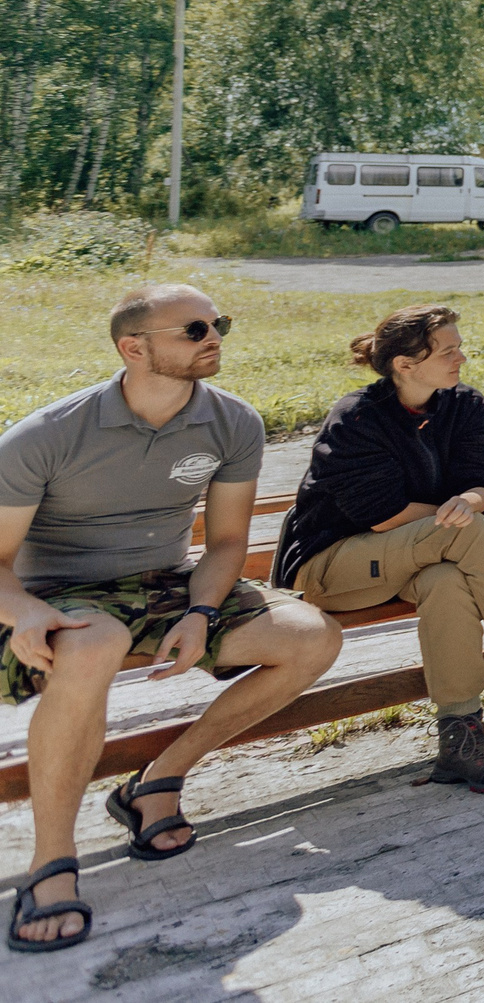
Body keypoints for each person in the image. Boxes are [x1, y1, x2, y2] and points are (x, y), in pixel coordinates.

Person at [0, 285, 342, 954]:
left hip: (165, 582)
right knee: (97, 642)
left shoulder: (233, 421)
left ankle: (157, 779)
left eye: (218, 323)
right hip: (56, 590)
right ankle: (51, 862)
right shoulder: (46, 434)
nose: (212, 334)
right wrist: (25, 611)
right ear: (134, 347)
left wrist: (202, 610)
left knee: (312, 636)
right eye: (192, 327)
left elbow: (223, 544)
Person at [274, 305, 484, 793]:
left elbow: (477, 483)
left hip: (419, 556)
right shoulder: (357, 417)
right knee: (465, 531)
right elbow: (380, 513)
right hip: (331, 565)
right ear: (405, 365)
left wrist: (469, 500)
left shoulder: (463, 405)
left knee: (447, 581)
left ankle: (460, 738)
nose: (461, 358)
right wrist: (459, 518)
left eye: (458, 347)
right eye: (448, 351)